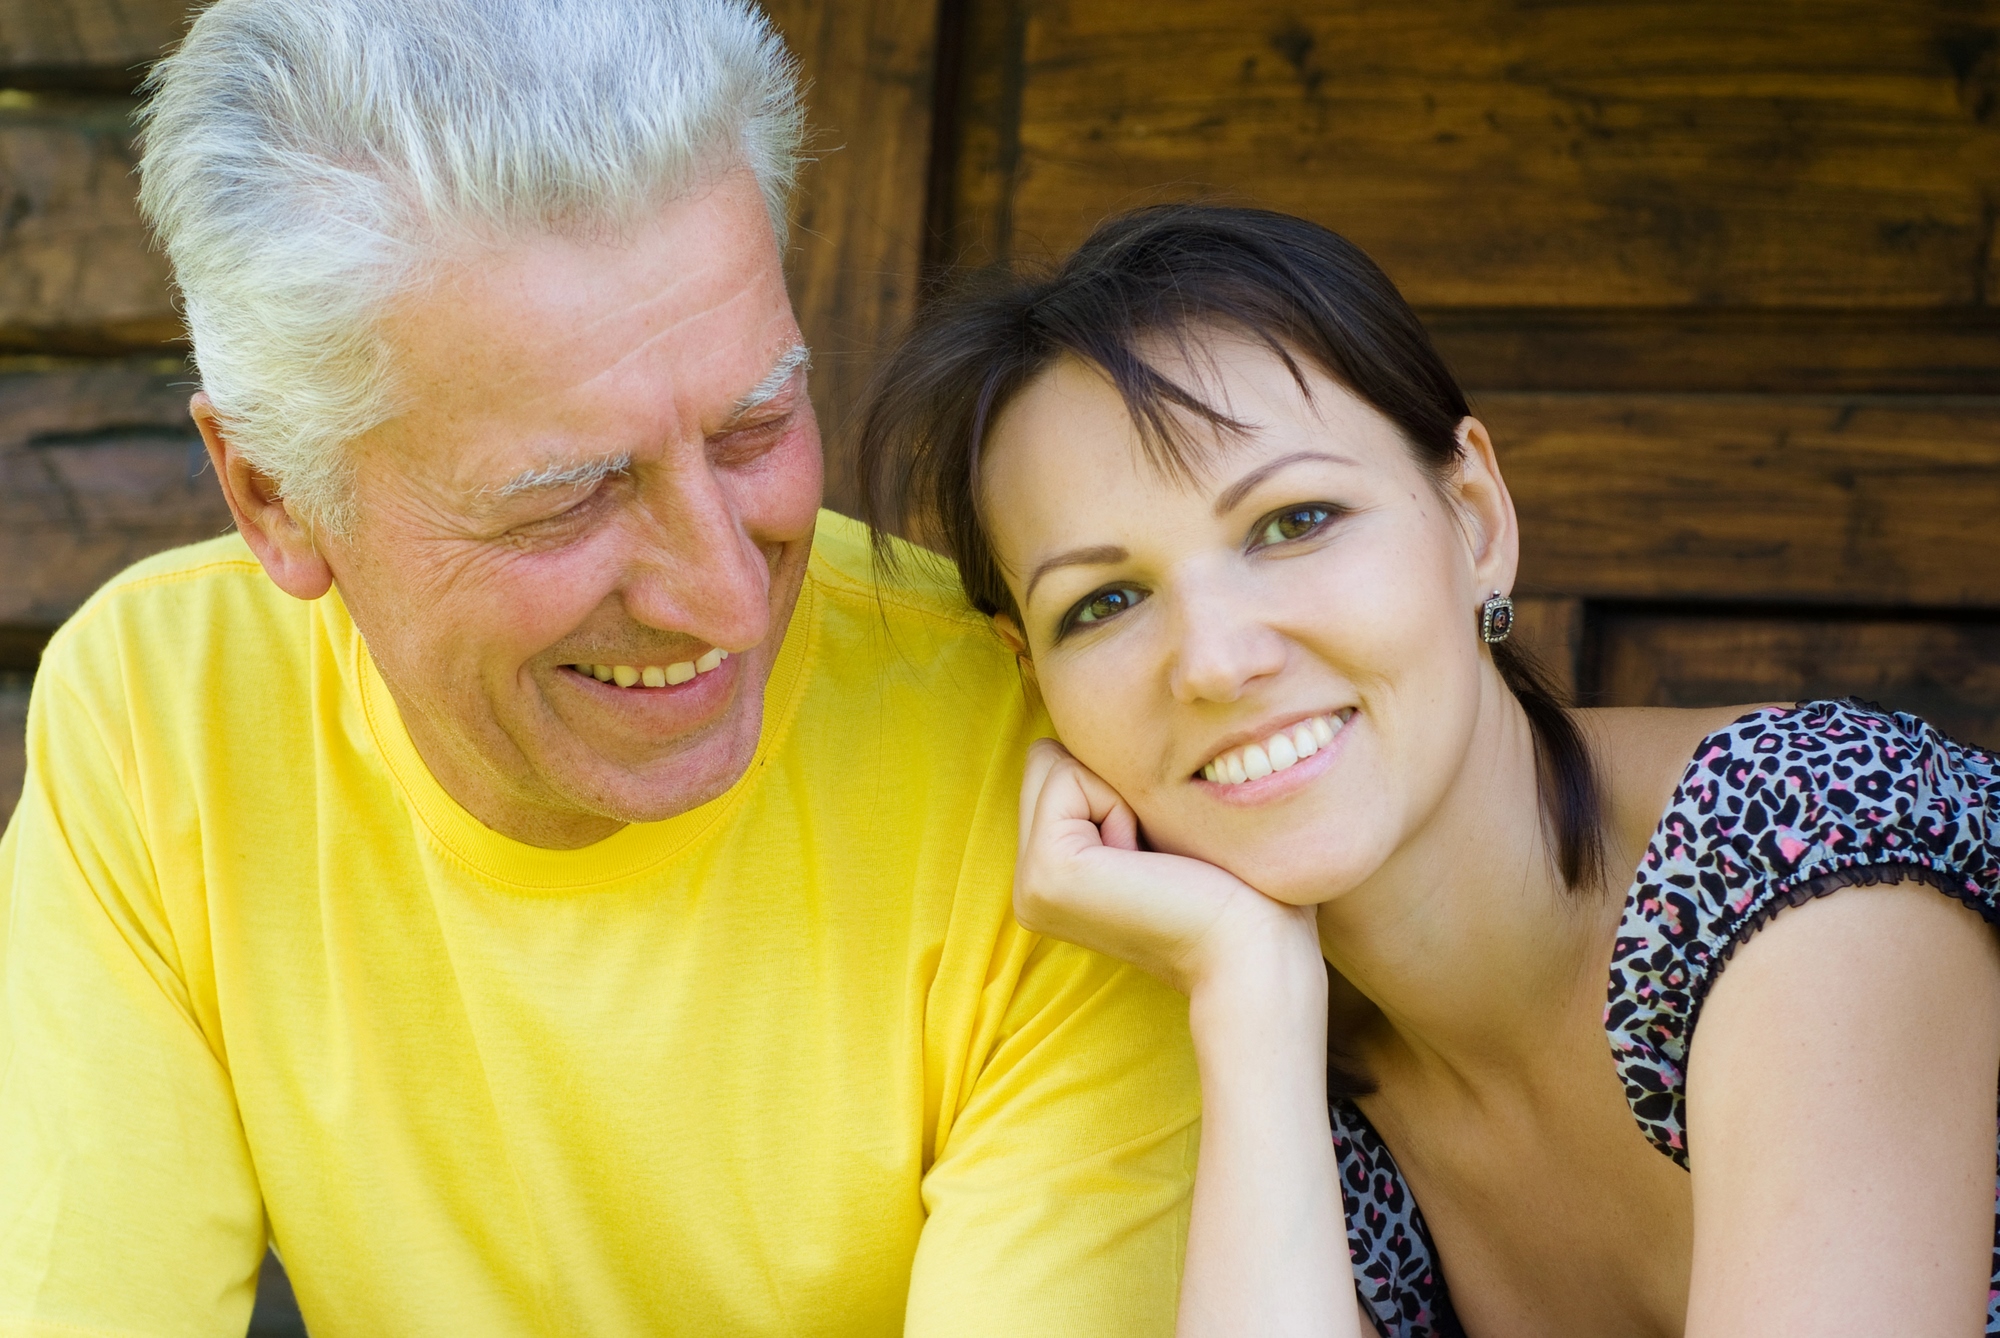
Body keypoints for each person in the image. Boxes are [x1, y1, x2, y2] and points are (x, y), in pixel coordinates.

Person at [0, 3, 1200, 1333]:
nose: (729, 599)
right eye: (568, 496)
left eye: (754, 425)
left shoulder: (1043, 768)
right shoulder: (162, 711)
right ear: (275, 496)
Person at [858, 204, 2000, 1337]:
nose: (1213, 660)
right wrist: (1251, 997)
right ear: (1035, 682)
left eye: (1292, 521)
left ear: (1473, 516)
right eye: (1102, 604)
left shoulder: (1806, 862)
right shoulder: (1247, 1060)